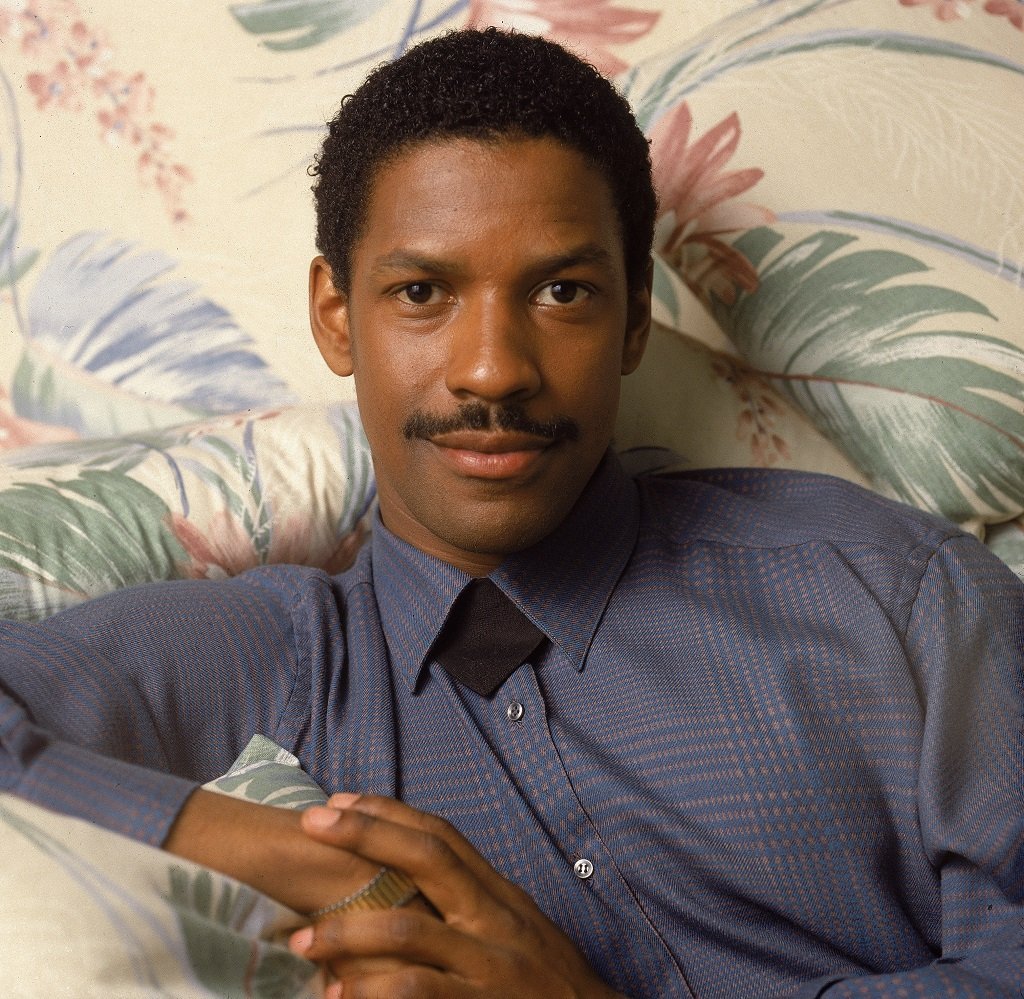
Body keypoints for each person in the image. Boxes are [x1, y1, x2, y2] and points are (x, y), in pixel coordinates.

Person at [1, 26, 1022, 999]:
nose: (493, 369)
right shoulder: (268, 661)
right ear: (334, 315)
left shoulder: (890, 595)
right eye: (420, 292)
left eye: (562, 293)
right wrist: (316, 867)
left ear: (631, 321)